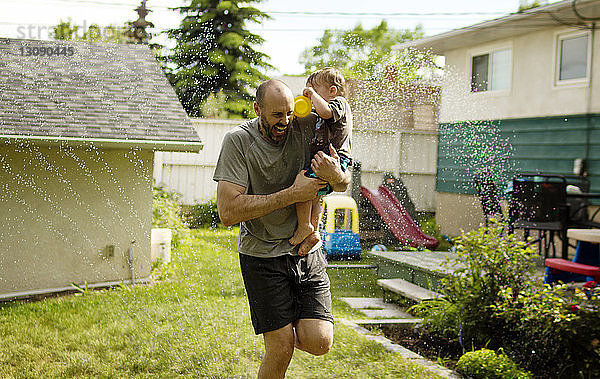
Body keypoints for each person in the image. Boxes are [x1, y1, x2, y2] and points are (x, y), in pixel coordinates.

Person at [213, 79, 351, 378]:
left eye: (289, 113)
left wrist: (337, 175)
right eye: (277, 115)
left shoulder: (306, 125)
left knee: (319, 342)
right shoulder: (238, 141)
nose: (285, 122)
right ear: (257, 109)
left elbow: (342, 181)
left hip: (305, 250)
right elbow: (227, 211)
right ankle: (280, 333)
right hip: (261, 255)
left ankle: (288, 326)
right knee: (281, 346)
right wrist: (292, 194)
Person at [288, 67, 353, 247]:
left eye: (314, 91)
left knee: (304, 186)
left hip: (334, 157)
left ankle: (304, 226)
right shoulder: (324, 106)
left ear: (332, 90)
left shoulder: (339, 102)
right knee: (316, 194)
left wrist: (312, 94)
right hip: (327, 158)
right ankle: (314, 232)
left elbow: (325, 112)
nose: (310, 97)